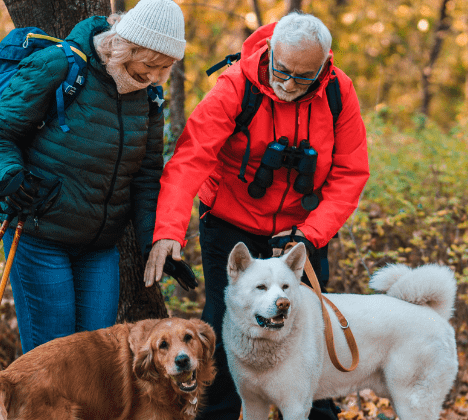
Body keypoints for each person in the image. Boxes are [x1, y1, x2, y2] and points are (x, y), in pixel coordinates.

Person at [144, 11, 370, 420]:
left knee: (309, 331)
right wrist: (169, 231)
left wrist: (310, 235)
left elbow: (351, 173)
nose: (289, 84)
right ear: (270, 54)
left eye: (304, 77)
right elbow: (190, 160)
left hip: (300, 235)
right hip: (232, 226)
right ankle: (221, 416)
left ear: (323, 67)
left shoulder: (339, 92)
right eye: (282, 71)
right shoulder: (235, 85)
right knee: (222, 327)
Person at [0, 0, 185, 353]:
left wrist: (156, 244)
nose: (154, 76)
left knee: (94, 361)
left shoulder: (148, 98)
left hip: (100, 249)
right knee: (53, 363)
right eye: (150, 64)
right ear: (125, 46)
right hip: (40, 234)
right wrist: (10, 177)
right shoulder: (60, 65)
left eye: (165, 68)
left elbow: (147, 177)